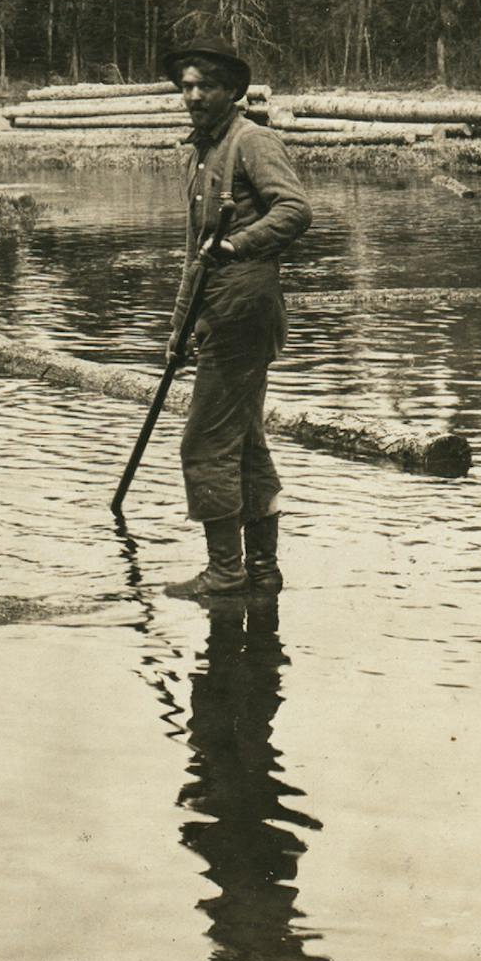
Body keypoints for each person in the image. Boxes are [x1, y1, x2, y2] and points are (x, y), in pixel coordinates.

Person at [159, 45, 312, 600]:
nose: (193, 96)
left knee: (203, 445)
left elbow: (294, 210)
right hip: (217, 311)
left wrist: (238, 244)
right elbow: (194, 255)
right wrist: (179, 330)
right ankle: (262, 571)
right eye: (186, 86)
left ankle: (225, 572)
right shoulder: (201, 153)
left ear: (232, 92)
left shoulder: (253, 141)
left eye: (205, 86)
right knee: (243, 443)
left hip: (245, 312)